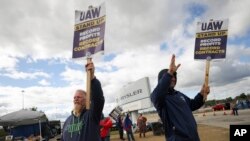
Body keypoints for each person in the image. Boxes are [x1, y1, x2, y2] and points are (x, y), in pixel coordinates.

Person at [150, 54, 210, 141]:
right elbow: (157, 94)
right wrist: (169, 73)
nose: (173, 78)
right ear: (162, 79)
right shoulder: (159, 99)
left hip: (193, 137)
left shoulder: (179, 94)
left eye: (174, 76)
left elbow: (192, 105)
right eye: (171, 76)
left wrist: (201, 94)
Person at [61, 61, 105, 141]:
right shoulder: (67, 121)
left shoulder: (91, 116)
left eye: (79, 97)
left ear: (86, 100)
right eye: (74, 98)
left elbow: (98, 99)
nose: (76, 99)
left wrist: (92, 78)